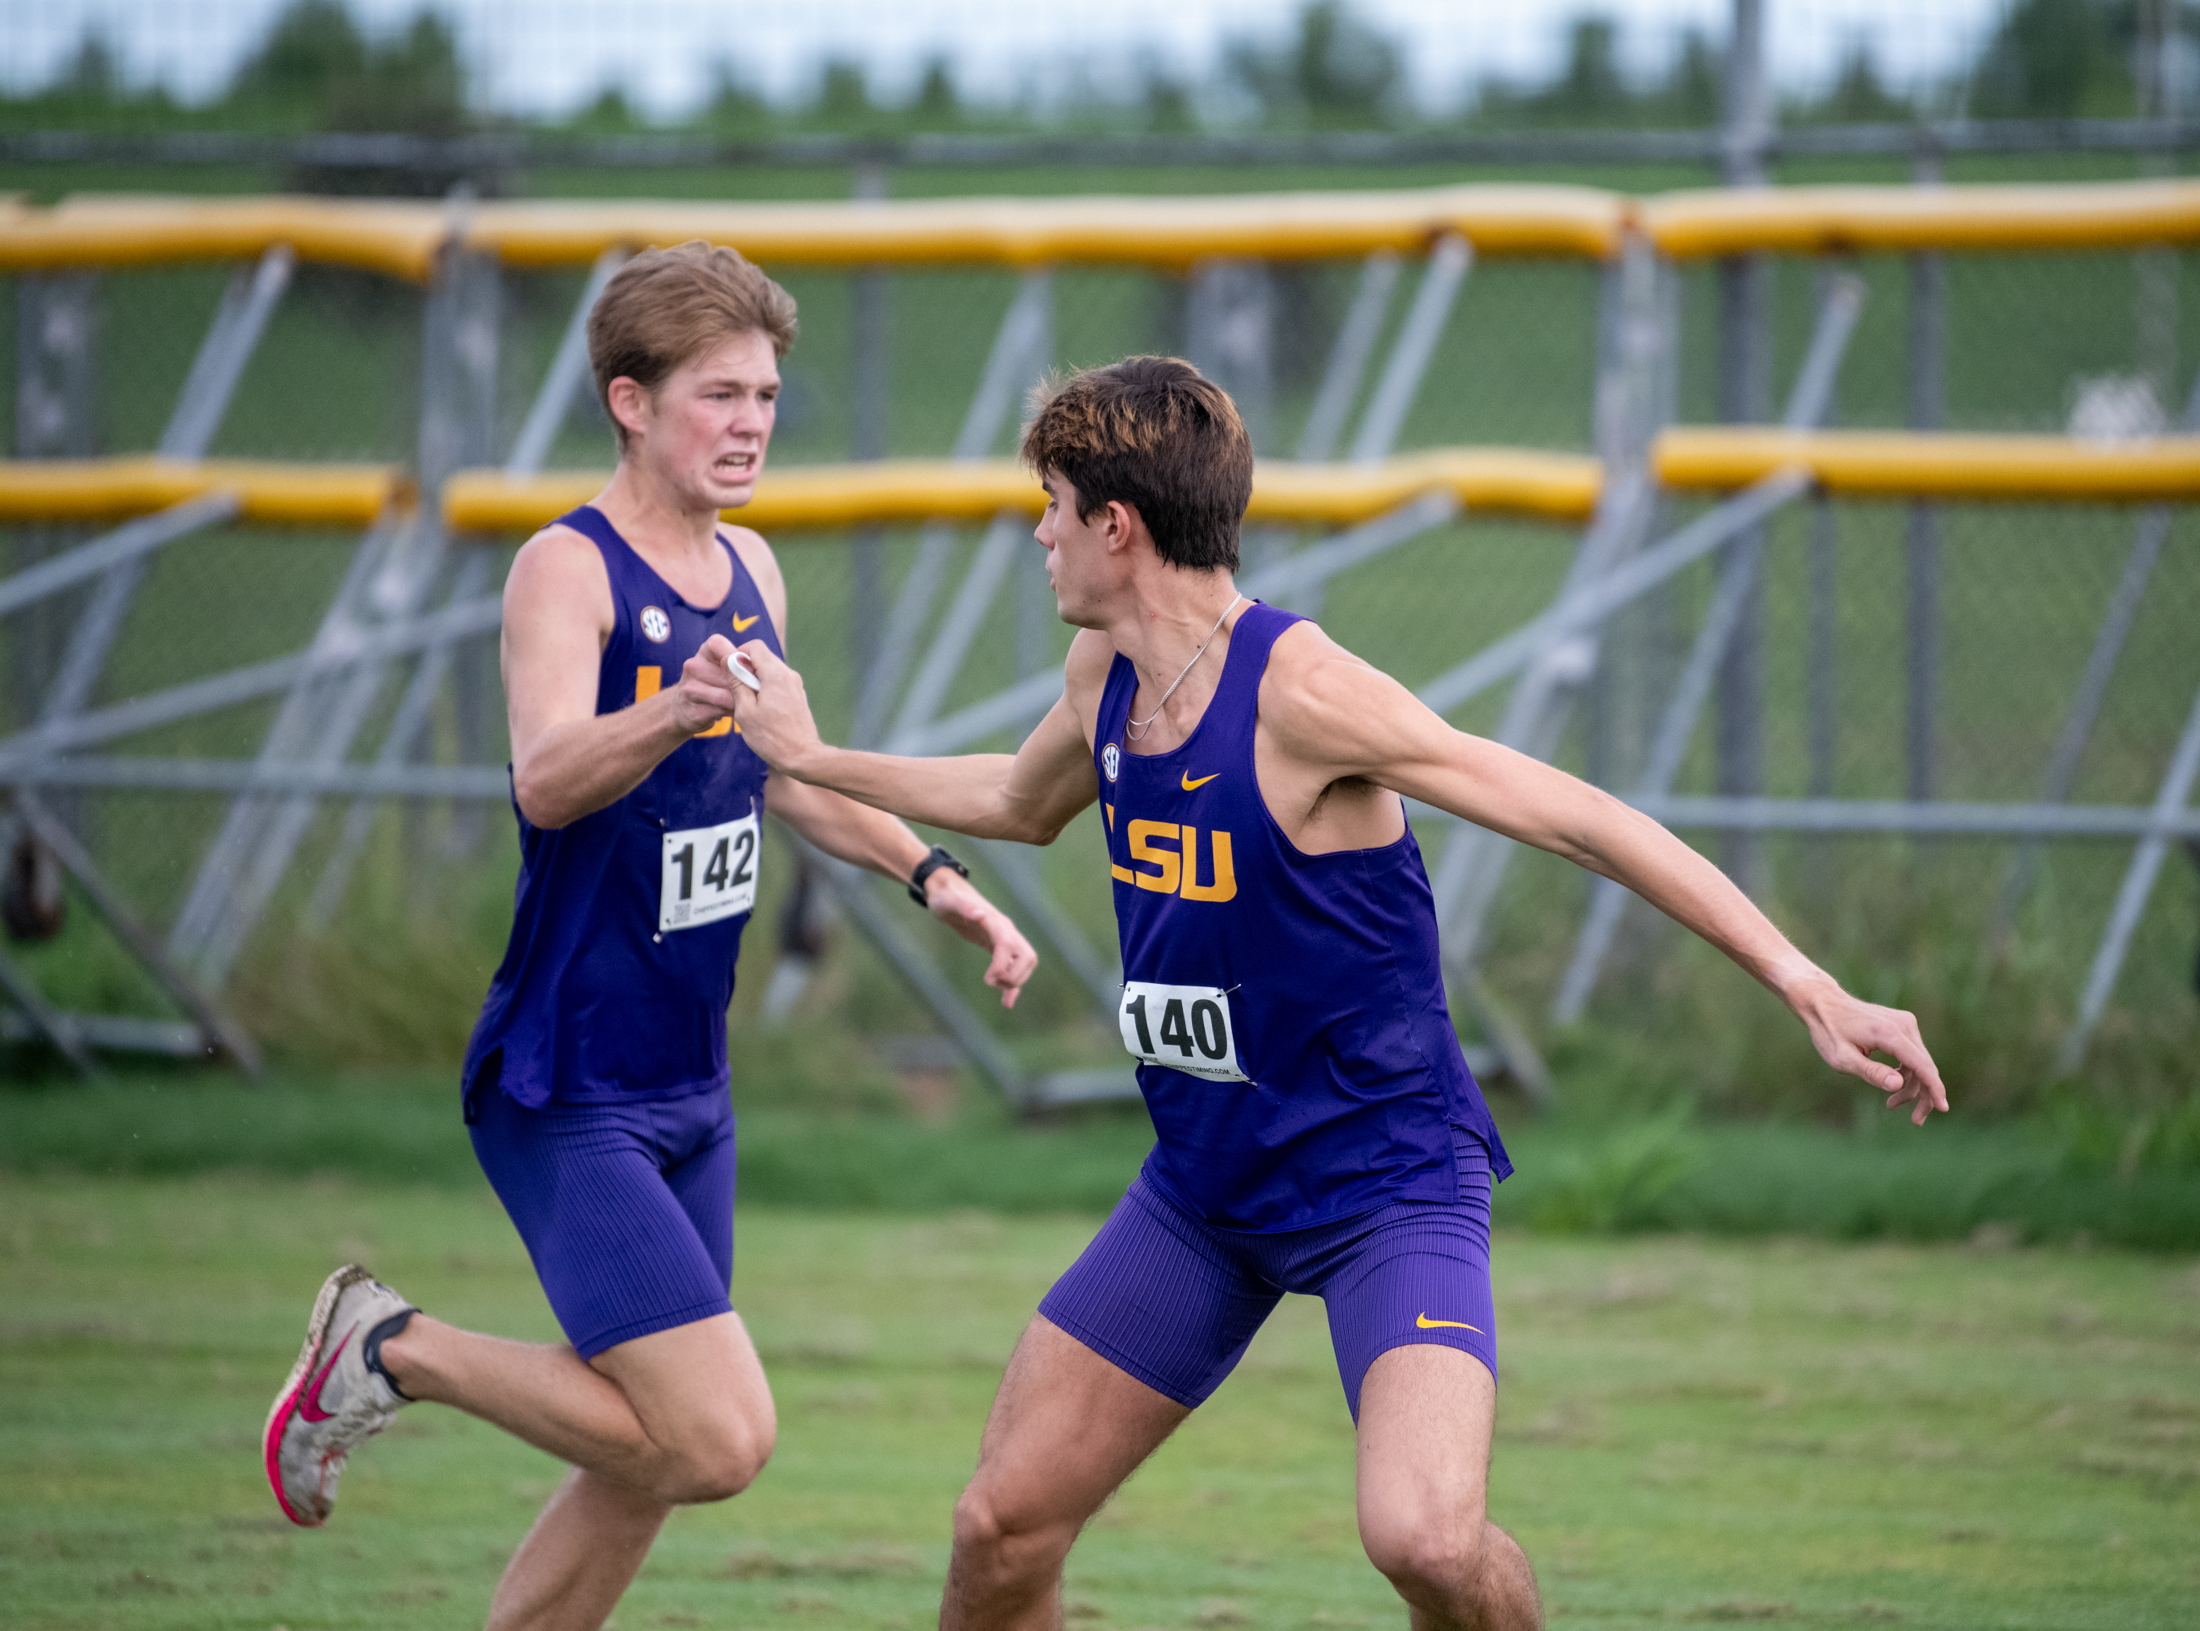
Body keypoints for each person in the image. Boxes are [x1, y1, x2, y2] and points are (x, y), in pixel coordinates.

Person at [727, 355, 1950, 1631]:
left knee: (1424, 1539)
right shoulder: (1107, 676)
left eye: (1051, 503)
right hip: (1207, 1187)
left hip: (1385, 1183)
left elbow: (1580, 820)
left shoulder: (1303, 694)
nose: (1036, 533)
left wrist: (1807, 981)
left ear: (1116, 524)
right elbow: (1019, 804)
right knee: (1001, 1523)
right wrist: (813, 760)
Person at [262, 242, 1038, 1631]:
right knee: (718, 1437)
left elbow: (789, 774)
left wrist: (939, 876)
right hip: (568, 1084)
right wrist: (669, 709)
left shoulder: (751, 567)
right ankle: (389, 1344)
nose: (750, 422)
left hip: (692, 1089)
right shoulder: (569, 570)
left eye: (767, 395)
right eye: (719, 393)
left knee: (642, 1457)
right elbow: (547, 775)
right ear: (630, 399)